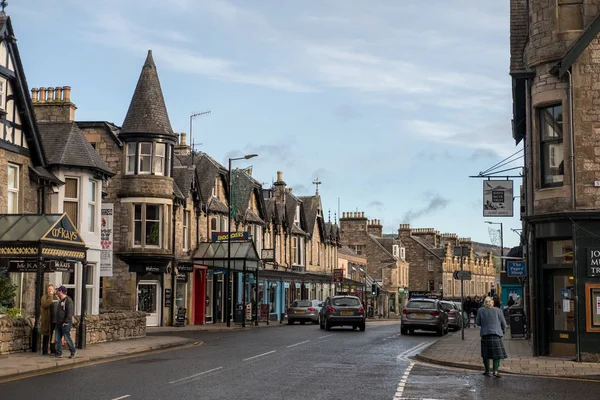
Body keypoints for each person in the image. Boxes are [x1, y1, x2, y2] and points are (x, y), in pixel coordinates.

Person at [476, 296, 507, 377]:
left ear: (484, 303)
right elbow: (504, 324)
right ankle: (495, 371)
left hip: (485, 334)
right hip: (496, 334)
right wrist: (502, 332)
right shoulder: (498, 310)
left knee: (485, 354)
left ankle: (487, 371)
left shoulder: (480, 310)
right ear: (492, 302)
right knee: (496, 354)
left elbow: (478, 323)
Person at [55, 286, 76, 359]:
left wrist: (66, 321)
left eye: (58, 291)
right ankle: (58, 353)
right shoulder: (61, 300)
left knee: (67, 338)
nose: (57, 292)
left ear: (61, 291)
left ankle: (73, 351)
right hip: (58, 323)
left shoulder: (68, 301)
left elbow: (69, 312)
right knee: (57, 339)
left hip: (65, 323)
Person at [40, 284, 58, 355]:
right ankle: (45, 350)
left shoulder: (56, 297)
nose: (49, 290)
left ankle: (53, 349)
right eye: (48, 289)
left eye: (51, 289)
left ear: (54, 290)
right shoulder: (44, 297)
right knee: (46, 334)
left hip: (54, 319)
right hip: (47, 319)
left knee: (53, 335)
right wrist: (50, 296)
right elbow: (45, 305)